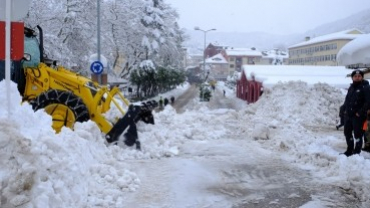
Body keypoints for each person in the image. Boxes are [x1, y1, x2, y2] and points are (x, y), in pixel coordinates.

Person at [341, 70, 370, 156]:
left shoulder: (365, 87)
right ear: (352, 78)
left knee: (357, 134)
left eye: (359, 76)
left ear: (362, 77)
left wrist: (360, 112)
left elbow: (368, 102)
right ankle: (349, 150)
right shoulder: (351, 87)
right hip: (349, 115)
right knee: (347, 133)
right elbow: (347, 100)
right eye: (355, 76)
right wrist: (344, 109)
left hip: (358, 116)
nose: (357, 78)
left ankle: (356, 152)